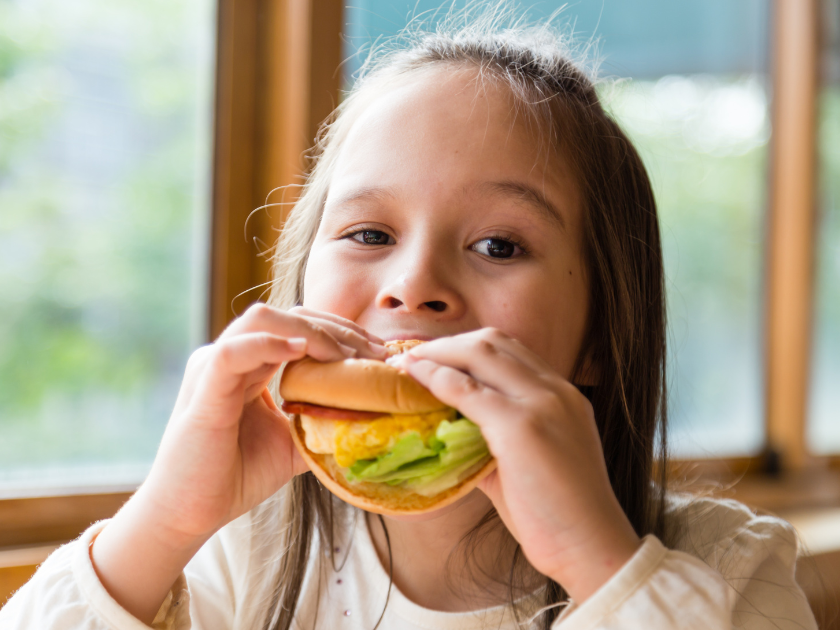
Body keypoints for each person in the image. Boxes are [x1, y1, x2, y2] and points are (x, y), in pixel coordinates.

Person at [0, 11, 817, 630]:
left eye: (498, 244)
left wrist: (600, 565)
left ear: (602, 336)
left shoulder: (728, 568)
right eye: (369, 234)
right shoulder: (236, 554)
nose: (413, 284)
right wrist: (166, 518)